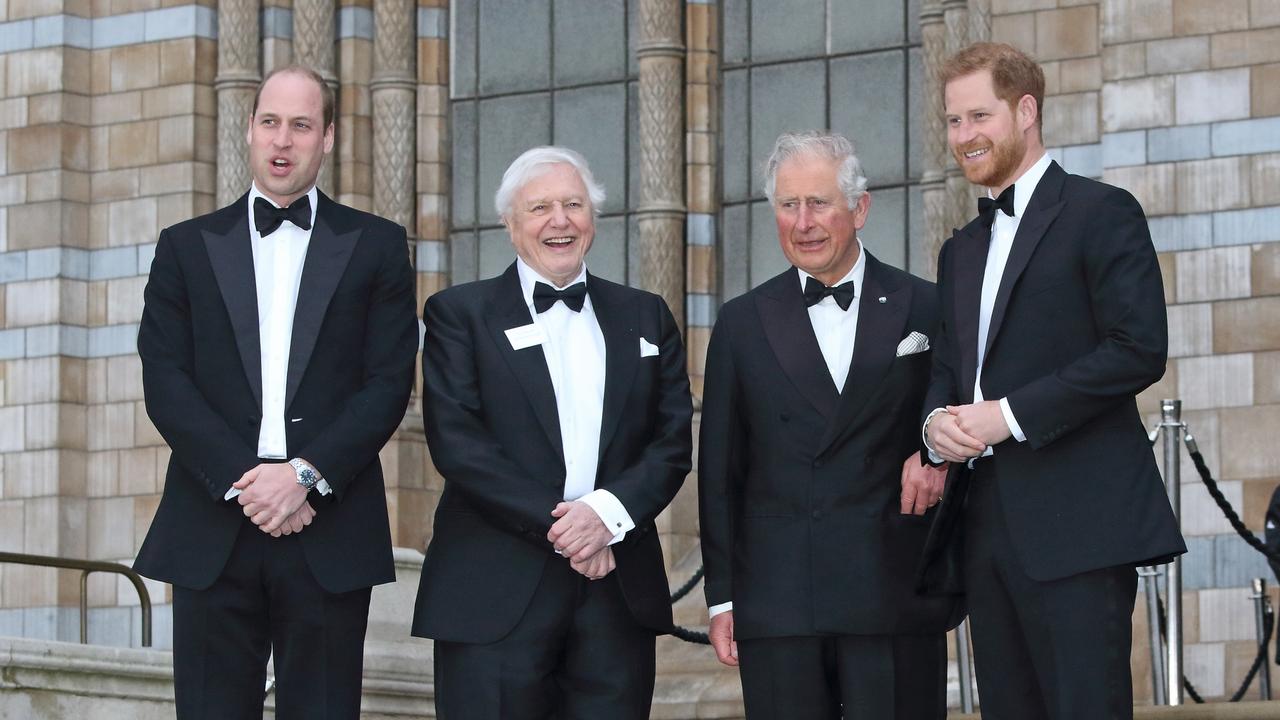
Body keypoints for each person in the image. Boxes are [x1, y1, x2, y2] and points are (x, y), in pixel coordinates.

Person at [133, 64, 419, 719]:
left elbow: (388, 383)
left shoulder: (376, 247)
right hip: (212, 525)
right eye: (269, 123)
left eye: (300, 124)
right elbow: (165, 380)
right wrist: (247, 477)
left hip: (328, 526)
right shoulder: (185, 247)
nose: (281, 140)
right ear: (249, 131)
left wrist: (303, 476)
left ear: (329, 139)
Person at [920, 42, 1186, 719]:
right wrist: (935, 427)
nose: (964, 137)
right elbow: (951, 370)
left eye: (979, 116)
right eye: (953, 121)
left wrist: (1004, 416)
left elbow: (1137, 349)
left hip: (1080, 531)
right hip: (983, 537)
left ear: (1026, 110)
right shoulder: (959, 252)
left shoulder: (1102, 213)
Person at [410, 146, 692, 720]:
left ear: (594, 219)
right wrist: (571, 529)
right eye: (539, 207)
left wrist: (606, 518)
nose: (559, 220)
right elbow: (459, 445)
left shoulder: (646, 315)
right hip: (494, 593)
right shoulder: (458, 314)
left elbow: (672, 440)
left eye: (573, 205)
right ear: (510, 225)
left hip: (616, 594)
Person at [697, 131, 961, 719]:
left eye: (819, 203)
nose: (803, 222)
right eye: (788, 205)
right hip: (780, 598)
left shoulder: (927, 306)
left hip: (893, 588)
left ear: (859, 208)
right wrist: (723, 597)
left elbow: (962, 409)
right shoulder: (741, 323)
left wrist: (940, 458)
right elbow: (719, 470)